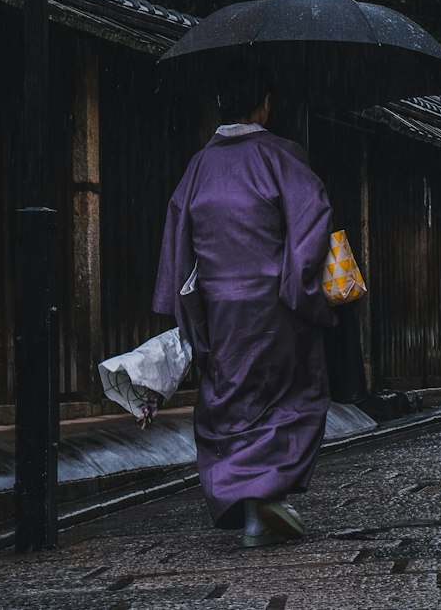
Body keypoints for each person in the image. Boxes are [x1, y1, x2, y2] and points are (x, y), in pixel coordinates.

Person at [153, 69, 335, 548]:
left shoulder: (198, 167)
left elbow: (179, 239)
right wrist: (303, 292)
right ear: (265, 105)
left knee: (228, 400)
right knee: (287, 395)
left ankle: (252, 503)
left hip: (218, 305)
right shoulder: (282, 157)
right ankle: (266, 497)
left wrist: (184, 307)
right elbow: (312, 223)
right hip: (275, 301)